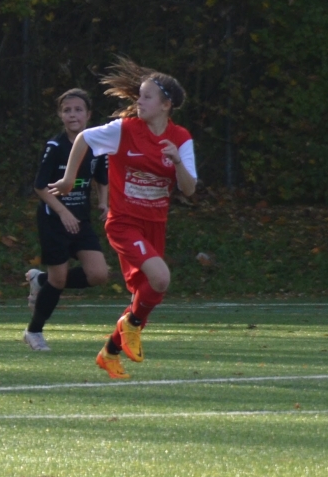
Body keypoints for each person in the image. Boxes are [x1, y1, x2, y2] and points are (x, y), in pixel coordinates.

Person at [42, 58, 197, 380]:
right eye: (139, 95)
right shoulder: (123, 130)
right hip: (125, 222)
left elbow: (189, 188)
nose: (139, 101)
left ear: (166, 105)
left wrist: (177, 162)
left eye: (147, 96)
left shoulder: (180, 138)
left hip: (155, 224)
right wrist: (69, 179)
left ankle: (110, 353)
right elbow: (84, 138)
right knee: (161, 278)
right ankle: (132, 326)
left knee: (149, 292)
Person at [20, 88, 111, 351]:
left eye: (78, 110)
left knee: (99, 274)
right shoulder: (55, 147)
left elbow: (101, 179)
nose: (73, 115)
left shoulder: (97, 146)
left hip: (81, 220)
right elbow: (40, 187)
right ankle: (34, 332)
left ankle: (41, 282)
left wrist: (104, 202)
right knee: (58, 280)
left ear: (88, 114)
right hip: (54, 221)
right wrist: (63, 212)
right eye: (67, 110)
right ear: (60, 115)